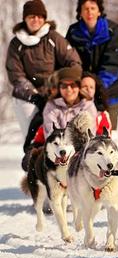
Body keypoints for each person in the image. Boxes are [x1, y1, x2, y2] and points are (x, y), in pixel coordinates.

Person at [5, 0, 81, 151]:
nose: (36, 20)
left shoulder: (53, 38)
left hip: (54, 93)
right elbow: (16, 75)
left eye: (40, 16)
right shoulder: (16, 44)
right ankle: (32, 162)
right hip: (27, 97)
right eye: (31, 16)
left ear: (44, 18)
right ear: (25, 19)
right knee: (33, 134)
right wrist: (34, 96)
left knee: (58, 133)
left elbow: (74, 63)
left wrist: (61, 85)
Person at [66, 0, 118, 133]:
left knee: (107, 134)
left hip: (110, 91)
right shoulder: (73, 32)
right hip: (82, 93)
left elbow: (112, 64)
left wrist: (96, 86)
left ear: (99, 11)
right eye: (85, 9)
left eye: (93, 8)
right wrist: (82, 85)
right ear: (80, 12)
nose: (89, 12)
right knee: (83, 134)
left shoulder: (113, 30)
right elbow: (70, 61)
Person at [43, 66, 97, 138]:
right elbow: (51, 135)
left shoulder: (88, 106)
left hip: (81, 148)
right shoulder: (51, 106)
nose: (69, 89)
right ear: (59, 88)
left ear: (79, 87)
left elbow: (88, 135)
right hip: (59, 147)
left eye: (73, 85)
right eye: (64, 86)